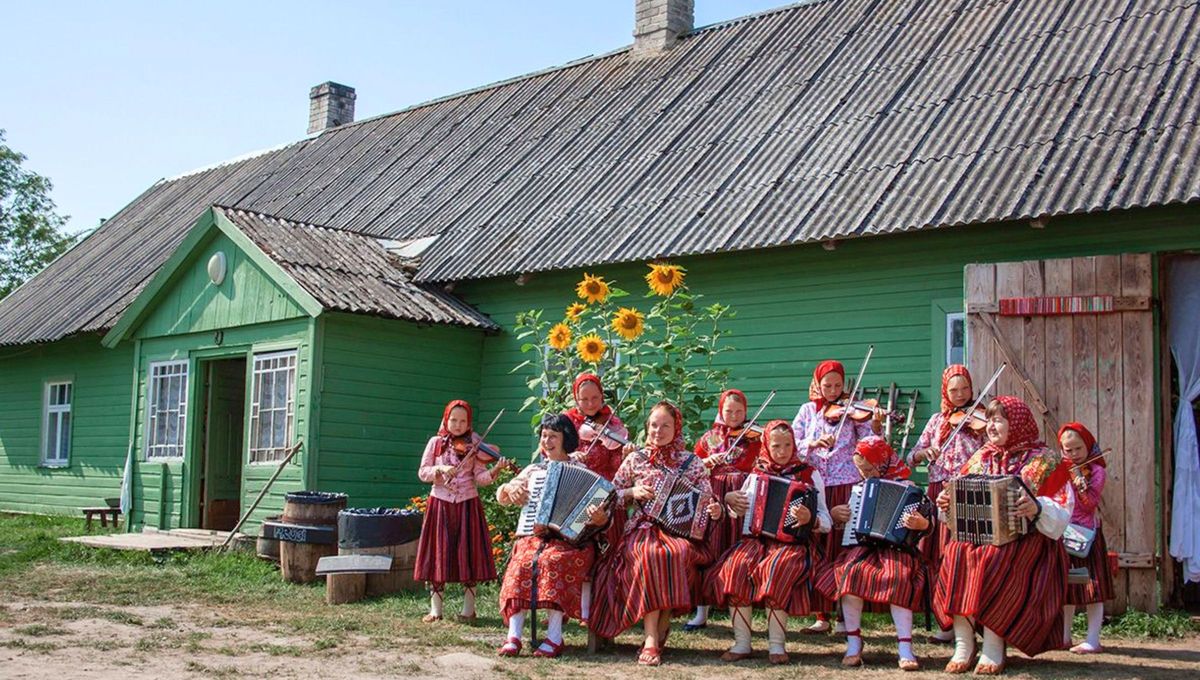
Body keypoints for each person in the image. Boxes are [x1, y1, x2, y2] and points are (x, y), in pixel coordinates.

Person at [934, 396, 1075, 675]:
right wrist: (946, 504)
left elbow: (1063, 512)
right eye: (989, 420)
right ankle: (964, 643)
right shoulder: (980, 458)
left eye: (998, 420)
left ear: (1018, 424)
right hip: (980, 538)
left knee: (994, 558)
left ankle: (993, 645)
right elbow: (956, 503)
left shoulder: (1045, 461)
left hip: (1032, 541)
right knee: (955, 552)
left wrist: (1036, 507)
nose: (991, 426)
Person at [589, 401, 722, 666]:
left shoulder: (692, 462)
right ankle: (652, 638)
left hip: (678, 531)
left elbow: (707, 500)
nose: (658, 431)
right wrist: (631, 492)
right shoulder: (635, 459)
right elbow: (608, 496)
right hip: (642, 528)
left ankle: (661, 625)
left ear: (676, 428)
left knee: (677, 552)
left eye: (665, 426)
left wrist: (714, 509)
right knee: (650, 554)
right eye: (653, 425)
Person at [706, 419, 830, 664]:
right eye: (776, 446)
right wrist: (732, 502)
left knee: (777, 568)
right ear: (766, 446)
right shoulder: (757, 474)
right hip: (756, 541)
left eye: (787, 445)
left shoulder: (808, 474)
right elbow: (739, 512)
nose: (782, 451)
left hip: (794, 545)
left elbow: (826, 521)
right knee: (735, 568)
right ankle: (742, 643)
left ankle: (776, 645)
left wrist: (811, 519)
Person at [495, 414, 607, 658]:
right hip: (534, 537)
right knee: (522, 562)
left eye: (553, 436)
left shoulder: (582, 471)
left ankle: (555, 637)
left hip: (570, 542)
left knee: (552, 561)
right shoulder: (534, 470)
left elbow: (598, 516)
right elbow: (502, 494)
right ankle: (513, 636)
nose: (546, 441)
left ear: (565, 439)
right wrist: (510, 489)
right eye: (543, 436)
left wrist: (597, 517)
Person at [818, 436, 931, 670]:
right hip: (863, 546)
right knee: (850, 574)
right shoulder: (859, 489)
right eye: (860, 470)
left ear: (882, 462)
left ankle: (905, 646)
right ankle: (853, 642)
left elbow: (928, 524)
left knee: (899, 577)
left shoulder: (908, 487)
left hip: (897, 548)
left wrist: (921, 524)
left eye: (869, 469)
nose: (864, 474)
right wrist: (838, 516)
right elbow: (847, 523)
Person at [791, 359, 882, 632]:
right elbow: (792, 444)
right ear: (817, 384)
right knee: (818, 545)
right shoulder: (807, 410)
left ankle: (845, 615)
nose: (832, 391)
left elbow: (870, 444)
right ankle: (821, 615)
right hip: (816, 485)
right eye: (827, 385)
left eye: (837, 385)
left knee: (843, 547)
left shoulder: (853, 411)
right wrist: (812, 443)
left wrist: (876, 427)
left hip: (846, 484)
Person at [905, 364, 985, 642]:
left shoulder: (982, 419)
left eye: (965, 389)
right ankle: (946, 623)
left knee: (968, 557)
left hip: (969, 491)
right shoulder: (937, 420)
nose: (960, 395)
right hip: (939, 490)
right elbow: (911, 456)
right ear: (945, 392)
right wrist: (925, 452)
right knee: (939, 556)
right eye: (954, 390)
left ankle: (974, 620)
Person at [414, 400, 510, 623]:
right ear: (446, 419)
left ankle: (469, 610)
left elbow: (480, 478)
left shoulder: (475, 443)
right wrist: (440, 469)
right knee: (438, 553)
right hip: (440, 503)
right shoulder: (435, 443)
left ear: (469, 423)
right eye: (453, 420)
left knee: (469, 554)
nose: (458, 425)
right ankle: (436, 610)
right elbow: (423, 472)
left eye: (463, 421)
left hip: (468, 503)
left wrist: (496, 469)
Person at [685, 388, 763, 631]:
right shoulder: (710, 438)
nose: (734, 416)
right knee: (710, 548)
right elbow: (692, 467)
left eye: (740, 412)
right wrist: (707, 462)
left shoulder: (754, 437)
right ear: (721, 410)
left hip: (743, 496)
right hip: (715, 495)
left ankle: (739, 605)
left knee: (738, 551)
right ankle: (702, 610)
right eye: (729, 411)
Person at [1058, 422, 1113, 654]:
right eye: (1068, 450)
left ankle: (1093, 639)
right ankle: (1064, 636)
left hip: (1086, 535)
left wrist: (1081, 486)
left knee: (1093, 588)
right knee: (1067, 587)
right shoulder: (1062, 469)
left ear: (1088, 445)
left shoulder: (1097, 471)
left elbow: (1090, 504)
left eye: (1078, 448)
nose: (1074, 454)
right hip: (1064, 531)